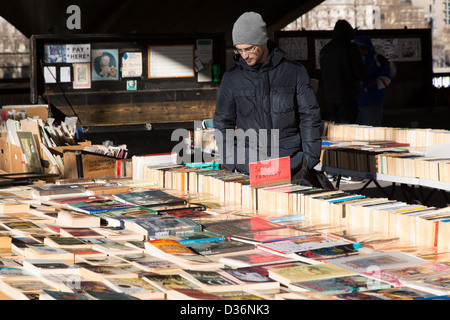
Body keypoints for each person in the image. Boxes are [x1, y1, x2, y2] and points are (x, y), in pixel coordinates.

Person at [213, 12, 328, 188]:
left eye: (249, 48)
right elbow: (223, 122)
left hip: (291, 165)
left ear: (262, 42)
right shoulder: (232, 78)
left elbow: (309, 115)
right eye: (239, 49)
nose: (244, 55)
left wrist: (309, 158)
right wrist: (232, 161)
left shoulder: (294, 72)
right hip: (249, 167)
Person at [319, 20, 366, 124]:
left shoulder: (325, 50)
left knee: (334, 129)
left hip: (330, 97)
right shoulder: (351, 48)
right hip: (348, 96)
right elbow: (360, 73)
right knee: (347, 129)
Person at [355, 35, 392, 127]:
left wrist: (366, 85)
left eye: (362, 48)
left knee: (371, 133)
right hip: (358, 102)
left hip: (372, 102)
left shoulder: (378, 60)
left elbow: (385, 79)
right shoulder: (356, 60)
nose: (361, 51)